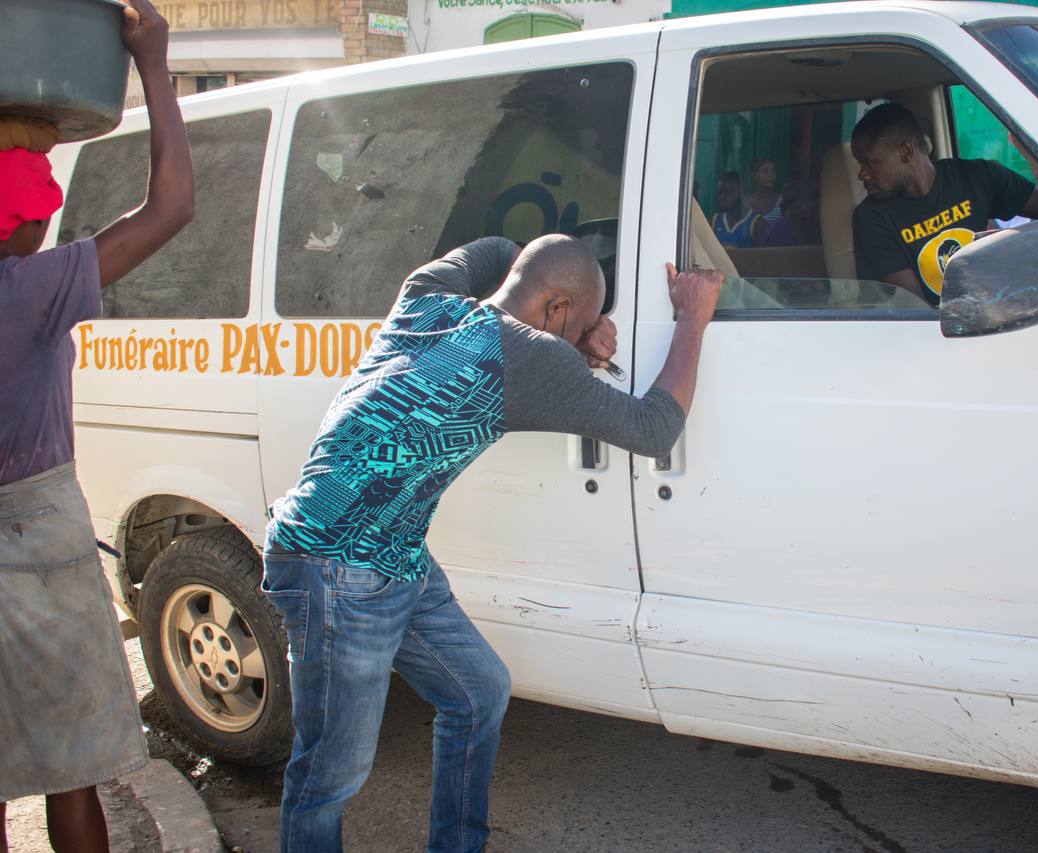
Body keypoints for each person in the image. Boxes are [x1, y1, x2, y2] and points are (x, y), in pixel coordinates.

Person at [262, 234, 722, 853]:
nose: (577, 340)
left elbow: (503, 247)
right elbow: (654, 428)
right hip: (336, 564)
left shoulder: (426, 295)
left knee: (478, 694)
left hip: (392, 552)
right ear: (555, 308)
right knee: (329, 774)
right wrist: (692, 318)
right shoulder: (533, 356)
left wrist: (570, 332)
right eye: (576, 324)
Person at [0, 2, 194, 852]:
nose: (48, 226)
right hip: (36, 534)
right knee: (72, 768)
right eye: (37, 213)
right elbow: (172, 205)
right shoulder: (31, 289)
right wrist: (152, 63)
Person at [849, 102, 1038, 305]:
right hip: (941, 326)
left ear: (906, 152)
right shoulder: (871, 219)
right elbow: (914, 307)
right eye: (860, 163)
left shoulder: (976, 176)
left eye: (870, 162)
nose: (862, 174)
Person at [760, 179, 821, 247]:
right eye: (804, 201)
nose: (809, 205)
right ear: (789, 205)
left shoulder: (812, 227)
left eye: (810, 201)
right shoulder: (777, 230)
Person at [711, 172, 762, 247]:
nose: (723, 197)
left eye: (728, 192)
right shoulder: (715, 220)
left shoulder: (756, 222)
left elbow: (759, 253)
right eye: (720, 193)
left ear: (740, 193)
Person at [747, 157, 782, 222]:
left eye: (773, 170)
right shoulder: (746, 202)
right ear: (754, 175)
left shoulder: (782, 201)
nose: (771, 175)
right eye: (765, 171)